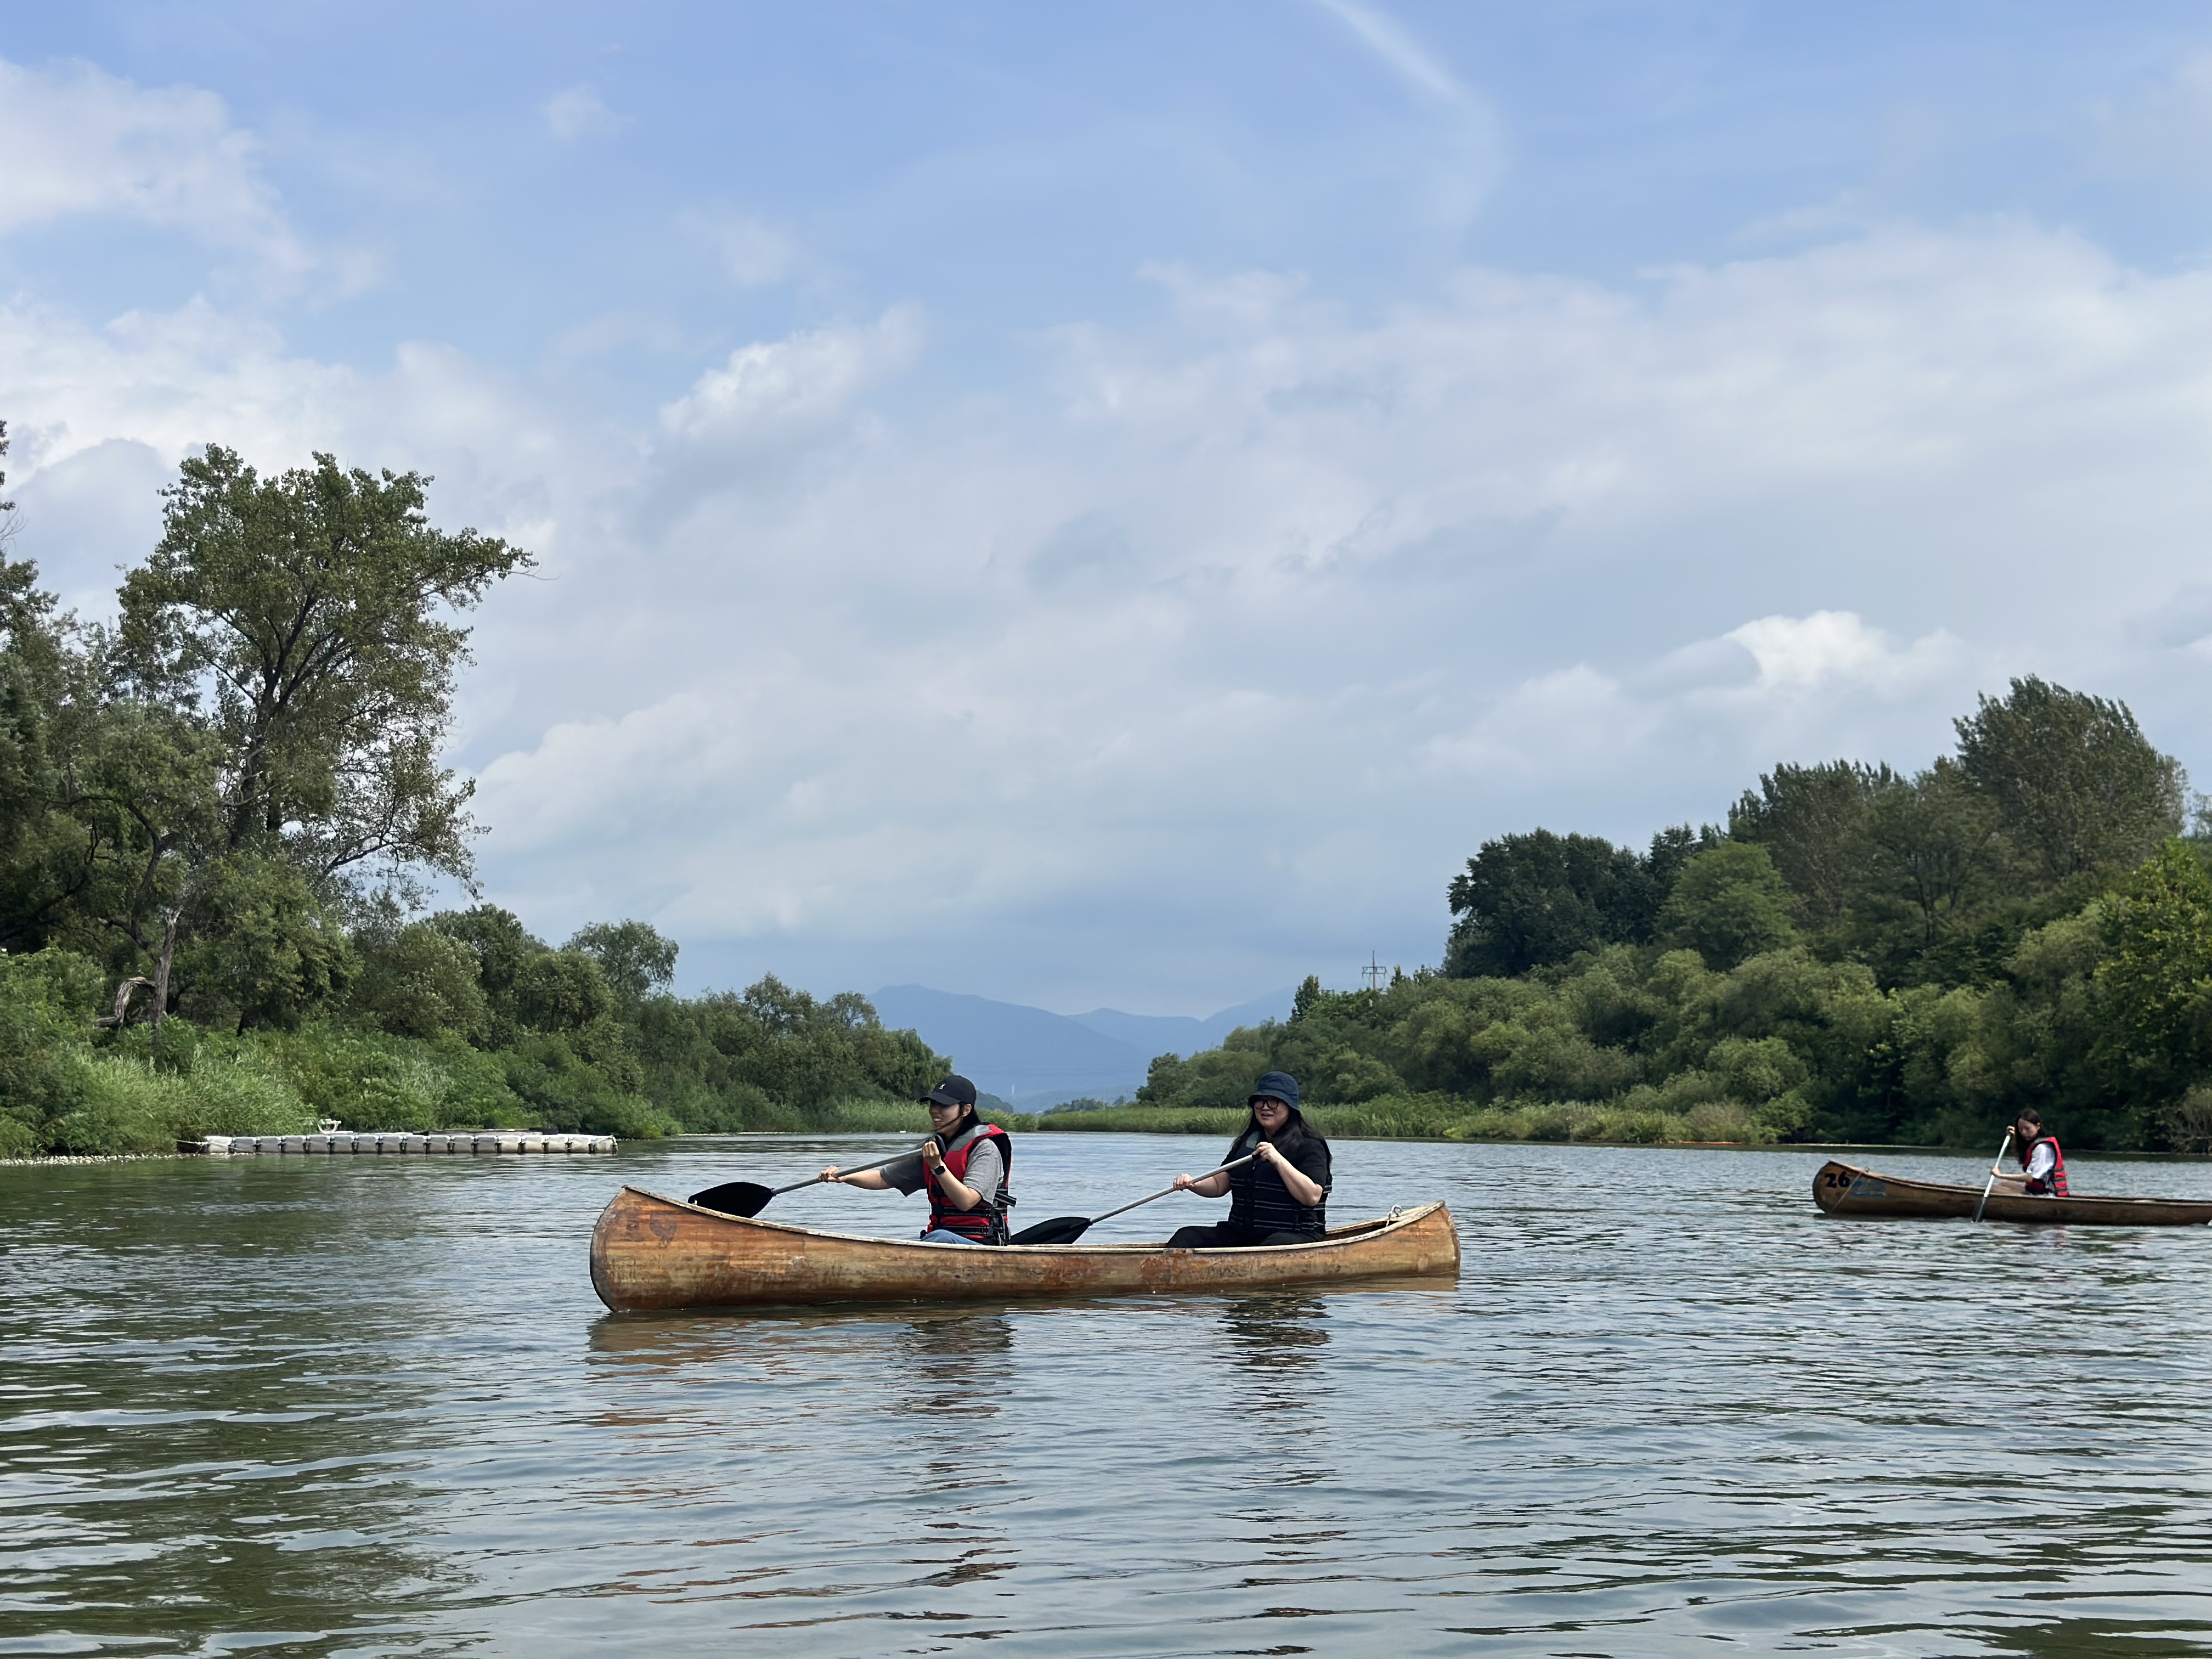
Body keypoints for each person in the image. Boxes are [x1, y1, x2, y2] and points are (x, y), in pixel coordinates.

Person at [820, 1074, 1013, 1244]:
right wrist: (845, 1177)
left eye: (944, 1105)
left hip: (980, 1244)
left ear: (966, 1110)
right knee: (934, 1238)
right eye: (933, 1104)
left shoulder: (985, 1149)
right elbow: (884, 1178)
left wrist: (938, 1167)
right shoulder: (934, 1146)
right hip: (940, 1239)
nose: (935, 1111)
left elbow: (966, 1201)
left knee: (938, 1239)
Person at [1165, 1071, 1331, 1248]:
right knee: (1187, 1236)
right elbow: (1220, 1185)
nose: (1265, 1107)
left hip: (1295, 1234)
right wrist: (1193, 1184)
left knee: (1270, 1248)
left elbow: (1312, 1196)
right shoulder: (1248, 1142)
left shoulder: (1310, 1145)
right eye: (1260, 1101)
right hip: (1242, 1233)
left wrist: (1279, 1160)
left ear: (1290, 1106)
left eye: (1273, 1102)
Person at [1987, 1107, 2069, 1197]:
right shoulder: (2036, 1142)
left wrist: (2000, 1175)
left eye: (2027, 1128)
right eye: (2020, 1129)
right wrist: (2014, 1135)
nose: (2024, 1133)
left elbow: (2029, 1178)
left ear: (2038, 1126)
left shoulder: (2042, 1148)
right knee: (2005, 1184)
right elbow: (2022, 1147)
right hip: (2038, 1192)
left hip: (2049, 1195)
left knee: (1995, 1190)